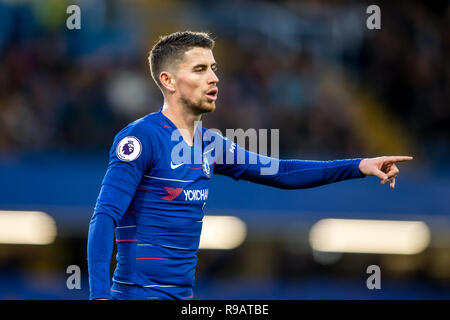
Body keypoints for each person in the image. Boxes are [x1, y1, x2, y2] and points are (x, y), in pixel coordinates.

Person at [87, 31, 413, 300]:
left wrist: (359, 165)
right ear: (168, 81)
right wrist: (99, 296)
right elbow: (104, 217)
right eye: (200, 69)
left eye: (214, 68)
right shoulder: (141, 138)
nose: (214, 78)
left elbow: (283, 172)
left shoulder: (210, 145)